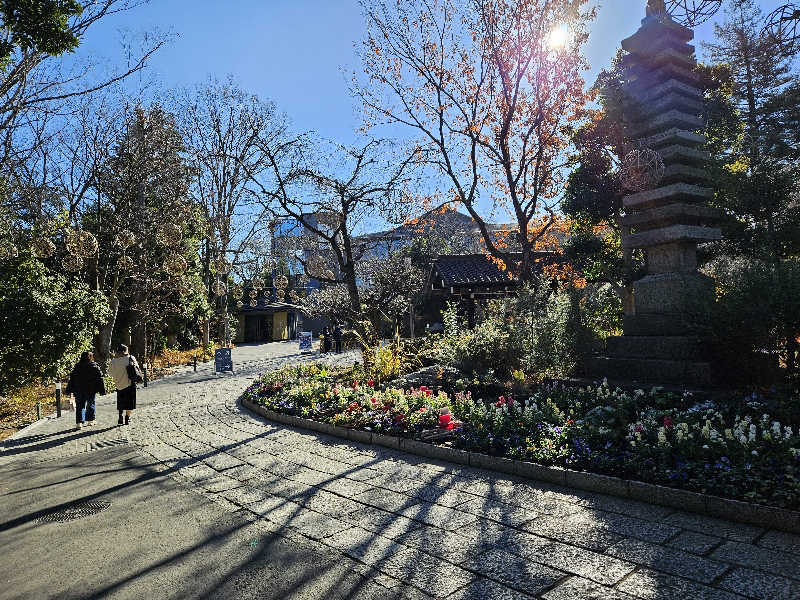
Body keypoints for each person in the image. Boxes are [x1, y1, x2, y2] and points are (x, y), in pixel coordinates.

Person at [65, 351, 105, 431]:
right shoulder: (94, 366)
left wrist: (69, 389)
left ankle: (79, 423)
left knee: (80, 406)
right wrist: (102, 390)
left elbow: (72, 378)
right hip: (91, 390)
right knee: (91, 404)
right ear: (90, 357)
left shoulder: (77, 366)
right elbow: (100, 379)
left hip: (79, 389)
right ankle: (90, 420)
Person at [109, 344, 139, 426]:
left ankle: (120, 417)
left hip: (119, 384)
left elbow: (110, 373)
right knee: (130, 402)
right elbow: (137, 369)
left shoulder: (113, 361)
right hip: (130, 383)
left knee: (120, 402)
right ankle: (127, 418)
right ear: (126, 351)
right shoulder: (130, 358)